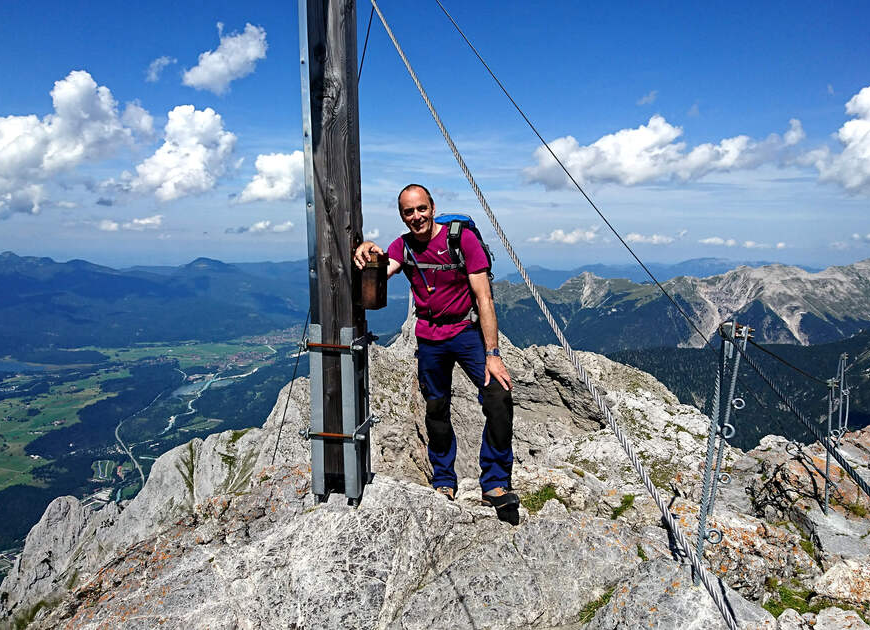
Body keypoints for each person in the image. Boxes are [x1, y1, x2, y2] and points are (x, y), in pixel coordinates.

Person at [354, 184, 519, 522]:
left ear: (432, 207)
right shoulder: (403, 246)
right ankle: (444, 480)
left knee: (499, 397)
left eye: (421, 209)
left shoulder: (461, 241)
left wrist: (493, 352)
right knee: (436, 410)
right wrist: (369, 250)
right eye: (408, 212)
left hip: (466, 332)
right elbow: (382, 269)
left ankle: (496, 482)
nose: (416, 217)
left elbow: (484, 298)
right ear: (402, 216)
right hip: (429, 337)